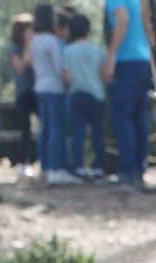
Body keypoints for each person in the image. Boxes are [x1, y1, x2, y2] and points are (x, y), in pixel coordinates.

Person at [101, 0, 153, 190]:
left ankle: (127, 171)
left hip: (126, 62)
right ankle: (138, 170)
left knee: (123, 117)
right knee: (140, 118)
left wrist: (112, 55)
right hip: (144, 61)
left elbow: (122, 19)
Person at [30, 4, 77, 185]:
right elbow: (59, 66)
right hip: (54, 88)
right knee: (57, 129)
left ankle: (45, 167)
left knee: (45, 129)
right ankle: (57, 168)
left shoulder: (35, 40)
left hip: (40, 86)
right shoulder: (51, 40)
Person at [63, 12, 108, 179]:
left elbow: (67, 76)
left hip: (77, 94)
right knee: (98, 133)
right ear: (88, 30)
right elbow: (104, 74)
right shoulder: (98, 51)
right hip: (96, 95)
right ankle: (99, 167)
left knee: (78, 133)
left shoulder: (67, 51)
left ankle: (79, 166)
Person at [9, 14, 38, 177]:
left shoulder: (37, 46)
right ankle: (22, 162)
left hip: (38, 91)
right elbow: (21, 67)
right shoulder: (15, 49)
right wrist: (28, 45)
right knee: (25, 129)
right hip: (23, 93)